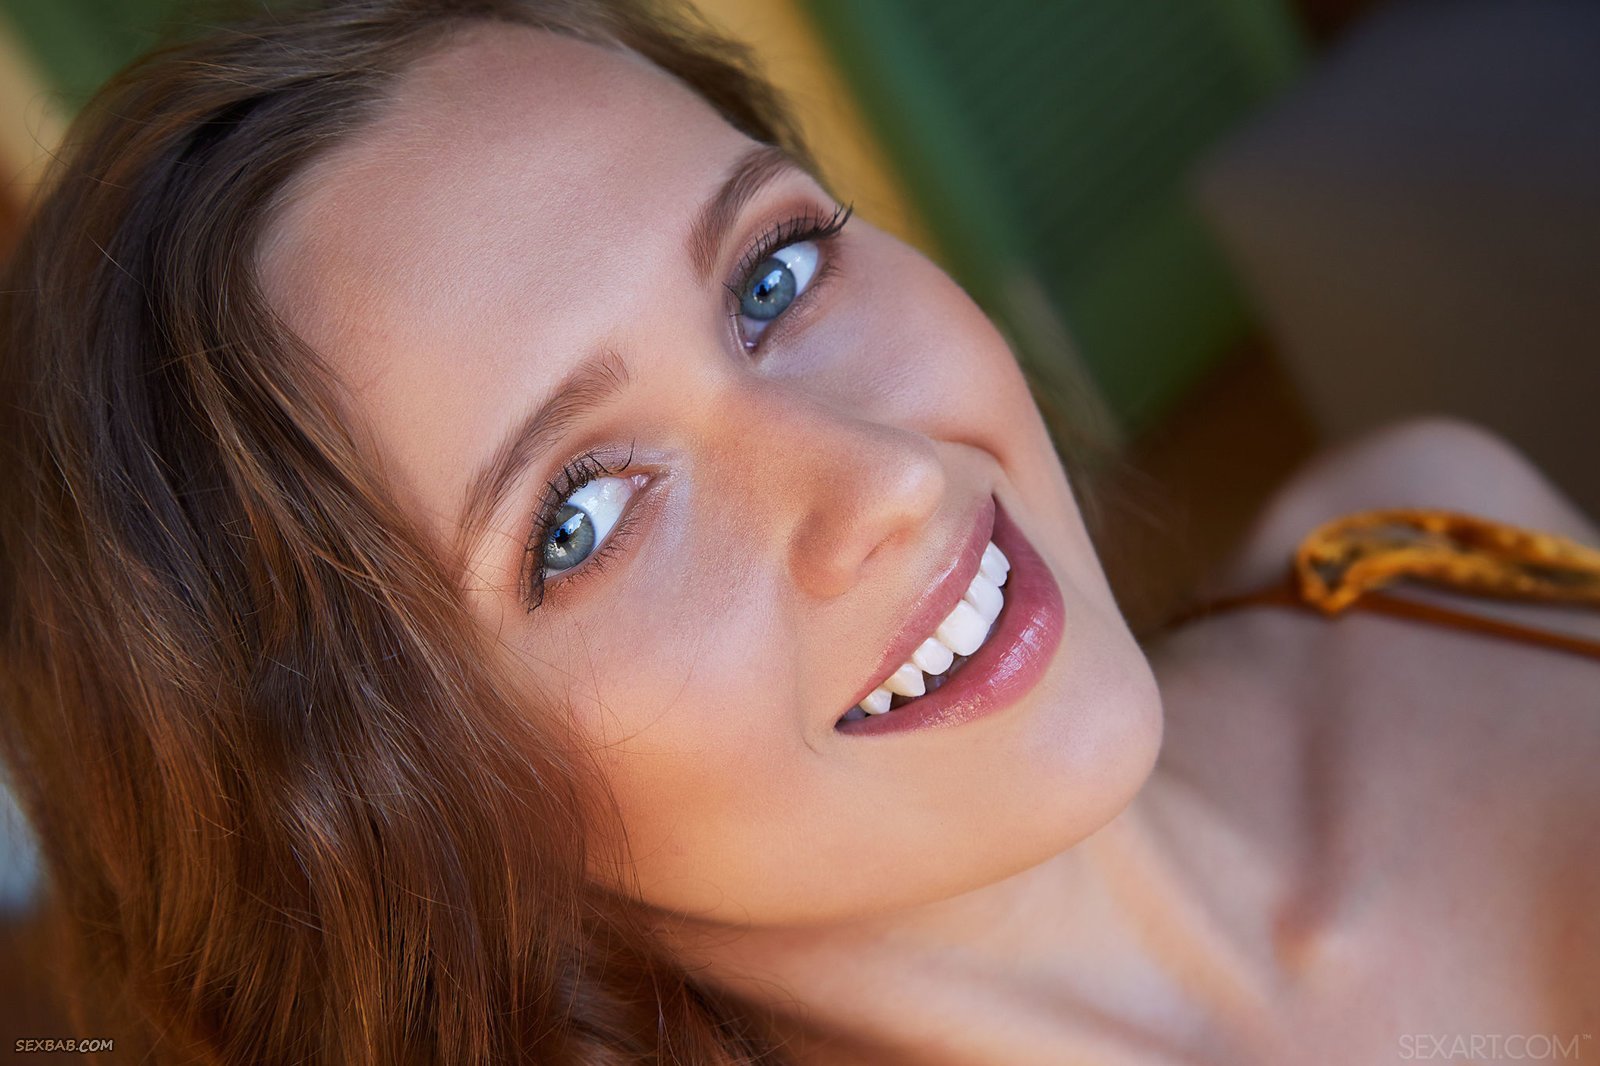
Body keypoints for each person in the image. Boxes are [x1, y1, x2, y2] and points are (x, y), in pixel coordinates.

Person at [0, 1, 1595, 1062]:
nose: (883, 477)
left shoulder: (1416, 549)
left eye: (770, 275)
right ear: (393, 838)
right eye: (581, 515)